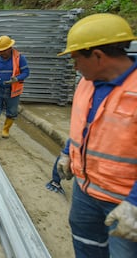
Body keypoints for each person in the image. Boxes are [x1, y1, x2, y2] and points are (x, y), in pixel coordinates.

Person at [55, 13, 137, 257]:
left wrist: (134, 203)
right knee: (86, 246)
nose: (75, 66)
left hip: (124, 202)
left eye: (76, 59)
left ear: (98, 56)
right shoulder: (86, 83)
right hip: (85, 192)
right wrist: (67, 152)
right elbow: (86, 127)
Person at [0, 35, 30, 141]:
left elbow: (26, 72)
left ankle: (5, 130)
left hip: (12, 90)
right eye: (0, 51)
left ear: (10, 48)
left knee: (12, 111)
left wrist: (17, 78)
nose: (1, 53)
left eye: (3, 51)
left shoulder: (19, 58)